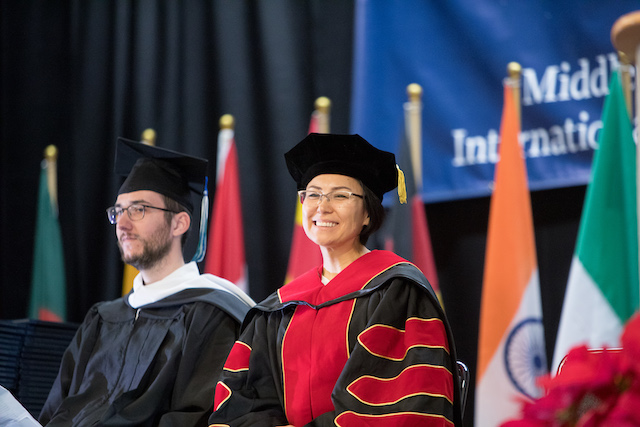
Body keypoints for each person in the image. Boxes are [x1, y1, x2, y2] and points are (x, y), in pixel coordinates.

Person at [208, 133, 463, 427]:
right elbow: (241, 402)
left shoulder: (395, 291)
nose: (322, 207)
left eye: (340, 195)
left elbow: (393, 405)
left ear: (368, 213)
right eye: (313, 194)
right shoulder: (279, 308)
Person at [39, 138, 255, 426]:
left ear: (179, 223)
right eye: (118, 211)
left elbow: (197, 416)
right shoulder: (102, 319)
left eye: (139, 209)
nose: (123, 224)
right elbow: (55, 411)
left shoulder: (210, 314)